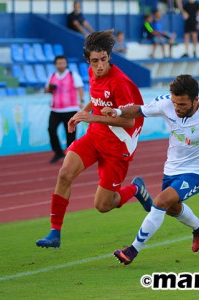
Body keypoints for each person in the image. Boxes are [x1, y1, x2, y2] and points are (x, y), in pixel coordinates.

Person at [103, 74, 199, 265]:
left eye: (182, 104)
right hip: (171, 169)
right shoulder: (167, 104)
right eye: (175, 103)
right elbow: (139, 110)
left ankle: (132, 250)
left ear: (195, 100)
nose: (176, 108)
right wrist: (116, 112)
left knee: (160, 201)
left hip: (197, 173)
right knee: (171, 208)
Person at [36, 30, 147, 248]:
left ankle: (135, 189)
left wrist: (92, 117)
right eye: (95, 61)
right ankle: (54, 233)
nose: (99, 66)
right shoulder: (91, 72)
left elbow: (128, 122)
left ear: (109, 57)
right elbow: (96, 99)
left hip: (117, 146)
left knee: (103, 205)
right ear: (88, 59)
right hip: (95, 137)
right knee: (65, 173)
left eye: (104, 60)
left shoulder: (120, 83)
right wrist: (81, 113)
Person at [45, 55, 85, 164]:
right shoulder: (52, 75)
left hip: (70, 109)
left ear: (66, 63)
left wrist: (81, 100)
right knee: (51, 129)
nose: (61, 65)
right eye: (59, 63)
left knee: (70, 133)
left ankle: (70, 155)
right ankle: (58, 152)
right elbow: (46, 90)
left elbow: (80, 87)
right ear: (55, 64)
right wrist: (50, 88)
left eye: (63, 62)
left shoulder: (72, 74)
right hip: (56, 109)